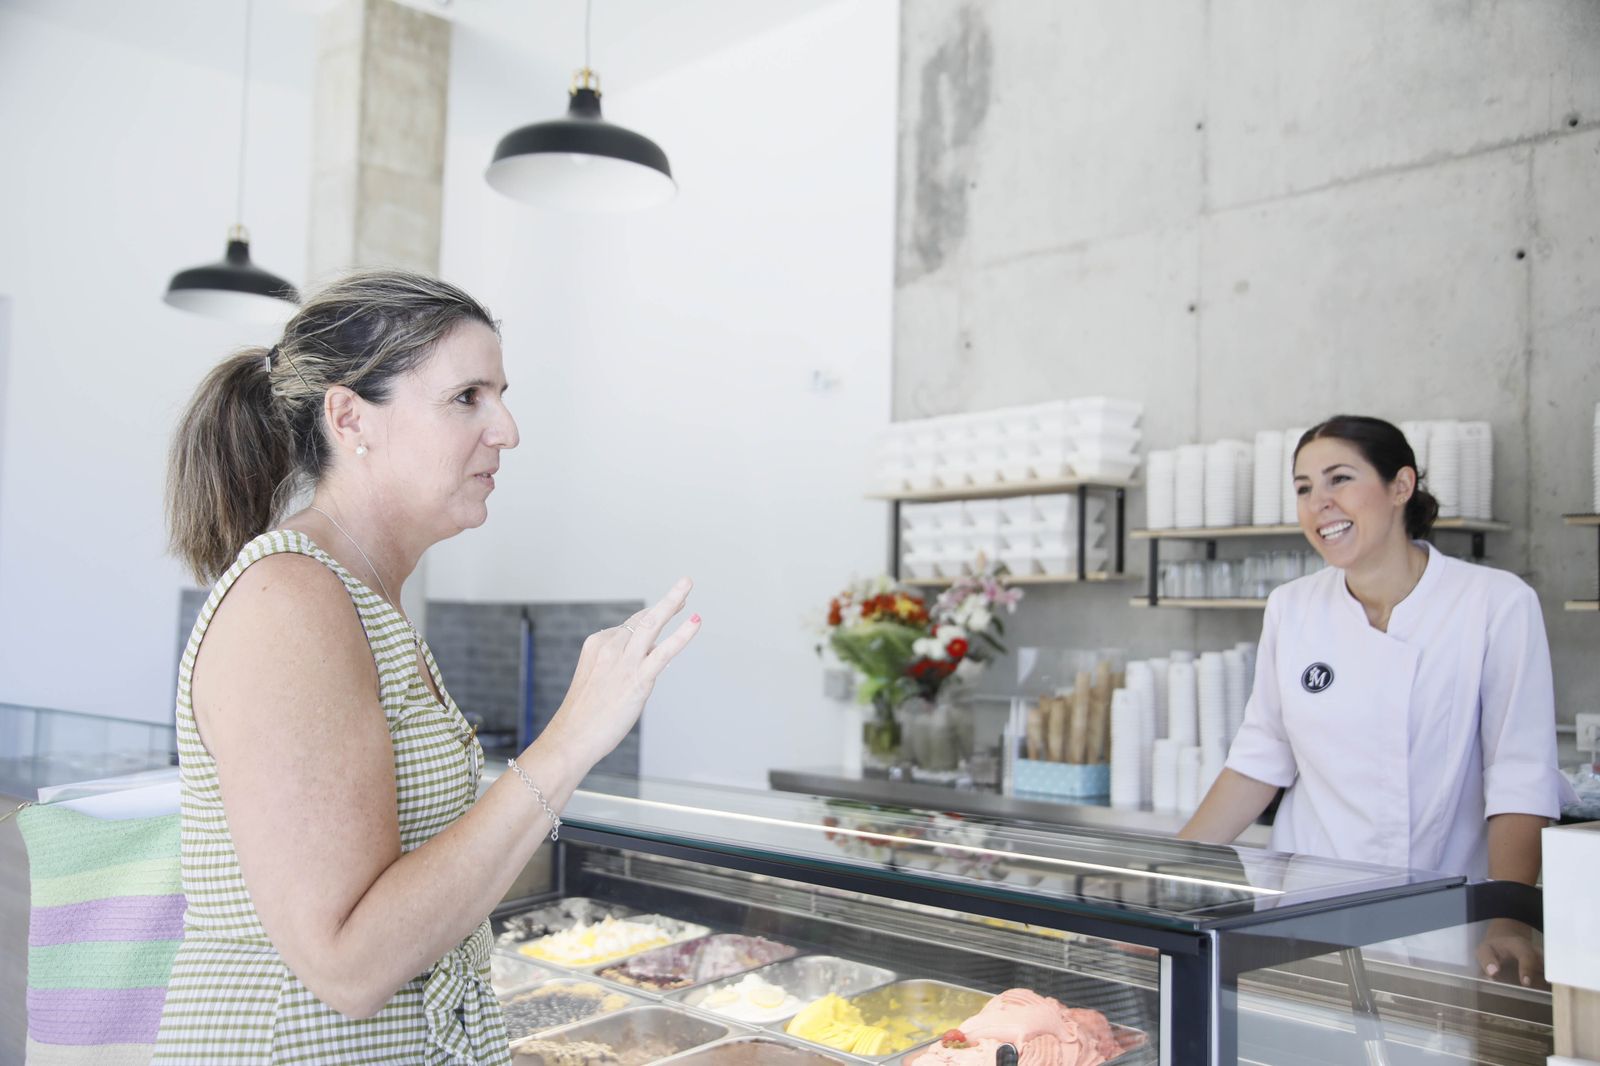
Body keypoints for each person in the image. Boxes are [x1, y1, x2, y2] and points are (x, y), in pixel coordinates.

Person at [152, 270, 700, 1063]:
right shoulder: (290, 599)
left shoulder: (362, 595)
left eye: (501, 394)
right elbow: (348, 963)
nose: (506, 429)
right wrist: (572, 737)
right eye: (467, 397)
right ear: (349, 418)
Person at [1179, 414, 1569, 986]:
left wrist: (1508, 918)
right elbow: (1259, 760)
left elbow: (1520, 775)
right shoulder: (1292, 607)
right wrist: (1163, 876)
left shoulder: (1494, 603)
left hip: (1447, 922)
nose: (1320, 504)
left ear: (1400, 487)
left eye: (1340, 479)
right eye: (1305, 488)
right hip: (1310, 918)